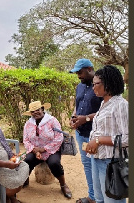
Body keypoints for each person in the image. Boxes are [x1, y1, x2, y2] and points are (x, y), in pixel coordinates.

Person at [85, 65, 128, 203]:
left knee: (112, 201)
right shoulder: (104, 103)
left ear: (108, 83)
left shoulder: (120, 105)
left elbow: (127, 138)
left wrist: (98, 140)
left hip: (111, 162)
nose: (93, 87)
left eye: (96, 84)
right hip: (97, 159)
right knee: (99, 199)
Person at [22, 101, 72, 199]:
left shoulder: (52, 121)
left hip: (51, 149)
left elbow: (59, 137)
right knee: (26, 161)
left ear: (42, 109)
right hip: (35, 150)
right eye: (33, 111)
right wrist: (35, 151)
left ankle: (63, 185)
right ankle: (25, 179)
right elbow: (26, 139)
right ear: (30, 113)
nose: (35, 112)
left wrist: (44, 149)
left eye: (38, 110)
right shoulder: (28, 123)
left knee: (54, 163)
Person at [69, 58, 103, 203]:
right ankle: (92, 197)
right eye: (76, 73)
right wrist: (74, 117)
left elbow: (106, 111)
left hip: (95, 135)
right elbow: (77, 105)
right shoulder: (79, 86)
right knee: (88, 165)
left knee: (99, 166)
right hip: (81, 134)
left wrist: (86, 119)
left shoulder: (102, 87)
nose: (78, 76)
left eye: (80, 72)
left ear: (90, 69)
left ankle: (101, 198)